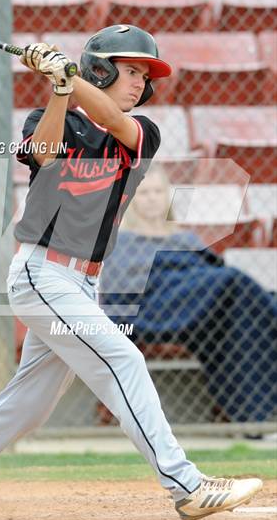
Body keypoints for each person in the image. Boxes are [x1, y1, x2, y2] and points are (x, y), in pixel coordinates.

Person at [0, 26, 262, 520]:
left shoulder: (141, 134)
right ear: (101, 69)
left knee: (31, 405)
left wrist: (63, 70)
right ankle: (187, 485)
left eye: (143, 75)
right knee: (124, 360)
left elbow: (111, 117)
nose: (139, 83)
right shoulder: (49, 119)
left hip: (84, 282)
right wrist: (60, 89)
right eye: (130, 71)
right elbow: (44, 154)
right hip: (43, 273)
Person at [100, 163, 277, 425]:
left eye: (158, 192)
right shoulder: (122, 240)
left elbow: (206, 276)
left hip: (202, 308)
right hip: (154, 309)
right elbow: (121, 293)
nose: (152, 199)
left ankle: (253, 416)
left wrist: (194, 279)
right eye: (144, 193)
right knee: (232, 281)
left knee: (241, 322)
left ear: (168, 195)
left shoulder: (186, 239)